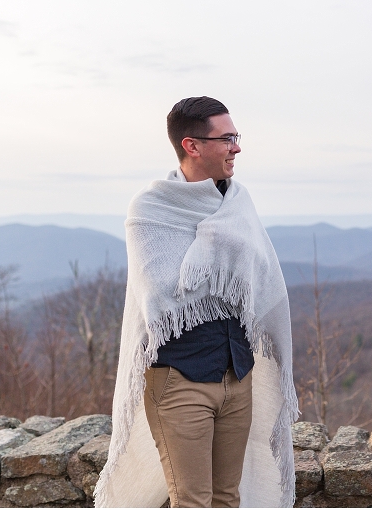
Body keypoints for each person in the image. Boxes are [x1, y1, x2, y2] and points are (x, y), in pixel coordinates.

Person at [94, 97, 298, 508]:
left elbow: (261, 282)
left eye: (236, 137)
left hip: (237, 375)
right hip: (179, 379)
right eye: (227, 139)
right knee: (192, 500)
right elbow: (163, 293)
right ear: (192, 146)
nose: (236, 147)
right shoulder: (150, 209)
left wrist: (215, 263)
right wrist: (219, 260)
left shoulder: (238, 202)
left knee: (227, 498)